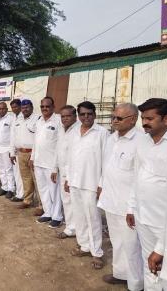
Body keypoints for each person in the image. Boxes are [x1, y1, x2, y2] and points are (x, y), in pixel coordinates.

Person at [126, 98, 167, 290]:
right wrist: (131, 207)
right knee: (149, 264)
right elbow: (136, 178)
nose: (144, 122)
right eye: (143, 118)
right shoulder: (143, 142)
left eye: (150, 118)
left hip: (166, 224)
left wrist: (161, 247)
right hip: (143, 217)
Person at [97, 103, 144, 290]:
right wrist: (101, 185)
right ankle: (120, 274)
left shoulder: (141, 141)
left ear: (133, 119)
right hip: (110, 200)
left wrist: (132, 208)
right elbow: (106, 165)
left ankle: (136, 284)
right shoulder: (111, 138)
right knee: (117, 242)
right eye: (113, 117)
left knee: (132, 246)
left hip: (128, 205)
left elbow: (140, 179)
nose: (114, 121)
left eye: (119, 118)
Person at [66, 101, 108, 270]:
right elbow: (70, 158)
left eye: (89, 114)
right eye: (82, 114)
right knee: (79, 216)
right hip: (75, 182)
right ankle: (84, 245)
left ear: (94, 114)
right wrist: (68, 179)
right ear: (78, 116)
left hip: (92, 183)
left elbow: (106, 161)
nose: (86, 117)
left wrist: (101, 184)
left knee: (93, 219)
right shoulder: (74, 132)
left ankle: (97, 252)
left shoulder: (102, 133)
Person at [32, 97, 63, 228]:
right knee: (43, 189)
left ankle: (57, 216)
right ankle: (48, 212)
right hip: (38, 161)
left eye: (47, 106)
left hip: (51, 163)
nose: (45, 109)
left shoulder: (58, 121)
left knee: (54, 191)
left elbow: (60, 144)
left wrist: (56, 167)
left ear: (53, 107)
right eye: (42, 106)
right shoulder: (39, 121)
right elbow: (36, 141)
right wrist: (32, 158)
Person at [52, 105, 79, 239]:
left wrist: (69, 176)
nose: (65, 119)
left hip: (73, 173)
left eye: (68, 116)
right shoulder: (61, 129)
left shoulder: (78, 130)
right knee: (66, 201)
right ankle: (71, 227)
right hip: (62, 171)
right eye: (63, 116)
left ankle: (75, 229)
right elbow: (59, 150)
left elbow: (75, 156)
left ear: (75, 116)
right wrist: (54, 168)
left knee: (74, 202)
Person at [10, 99, 39, 210]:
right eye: (23, 107)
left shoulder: (37, 119)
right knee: (26, 178)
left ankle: (41, 204)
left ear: (32, 107)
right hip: (20, 153)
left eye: (27, 107)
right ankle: (27, 200)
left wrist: (33, 156)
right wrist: (12, 152)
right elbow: (13, 137)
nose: (25, 109)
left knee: (36, 179)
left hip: (32, 153)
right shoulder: (18, 120)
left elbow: (37, 139)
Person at [9, 99, 24, 202]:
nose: (14, 109)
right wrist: (12, 152)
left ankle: (22, 194)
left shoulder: (24, 117)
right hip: (16, 151)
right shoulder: (13, 117)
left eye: (16, 107)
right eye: (13, 107)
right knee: (17, 173)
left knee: (22, 175)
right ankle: (20, 193)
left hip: (24, 151)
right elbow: (12, 137)